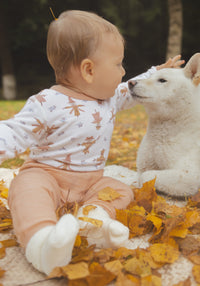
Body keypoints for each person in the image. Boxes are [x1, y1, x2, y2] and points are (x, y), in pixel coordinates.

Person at [1, 10, 184, 275]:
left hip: (90, 183)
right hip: (47, 176)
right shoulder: (47, 103)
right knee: (25, 187)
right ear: (89, 70)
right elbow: (13, 132)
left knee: (121, 190)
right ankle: (42, 243)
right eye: (118, 64)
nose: (123, 71)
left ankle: (92, 221)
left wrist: (157, 72)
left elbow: (132, 89)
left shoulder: (108, 98)